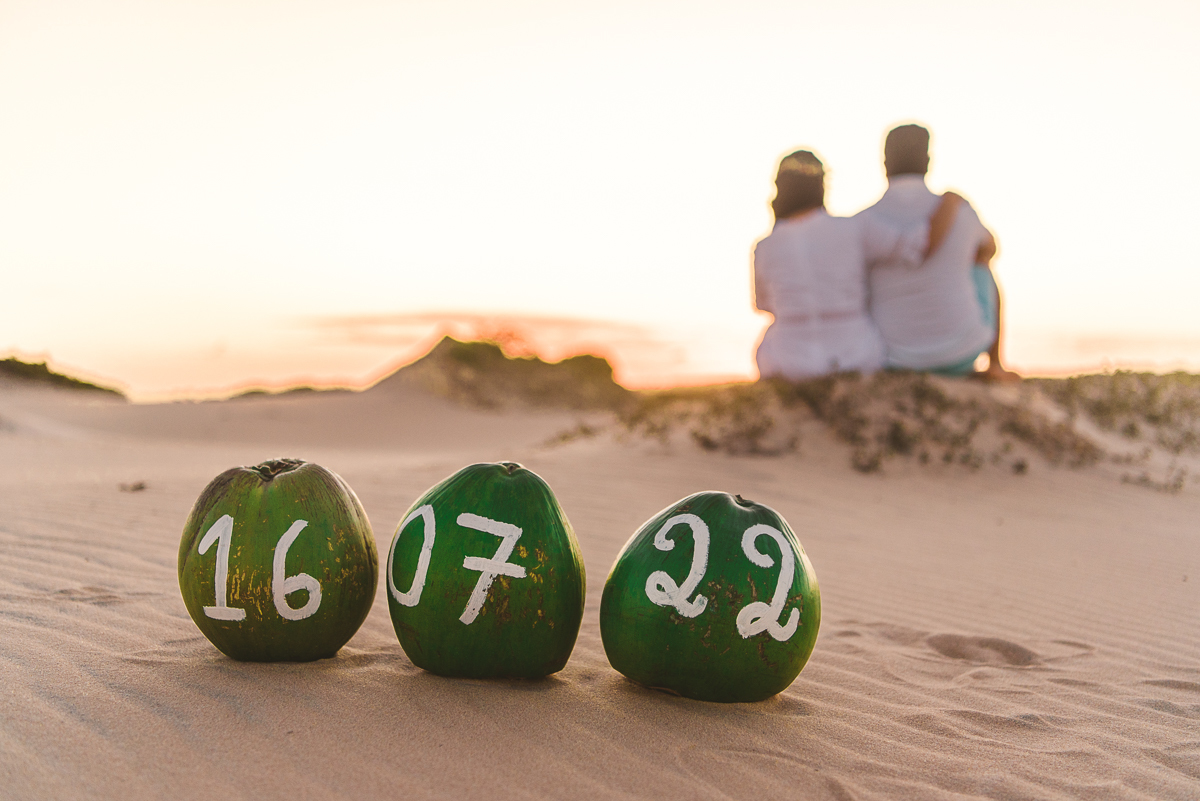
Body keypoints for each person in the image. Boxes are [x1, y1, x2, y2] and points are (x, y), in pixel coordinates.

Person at [752, 150, 961, 381]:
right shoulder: (854, 227)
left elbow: (762, 305)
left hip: (787, 361)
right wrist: (951, 200)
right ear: (821, 186)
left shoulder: (764, 246)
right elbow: (919, 246)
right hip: (854, 355)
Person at [862, 124, 1018, 381]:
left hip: (891, 357)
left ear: (885, 162)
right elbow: (990, 248)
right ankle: (995, 362)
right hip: (961, 353)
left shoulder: (864, 221)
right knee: (981, 265)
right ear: (927, 161)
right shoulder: (959, 212)